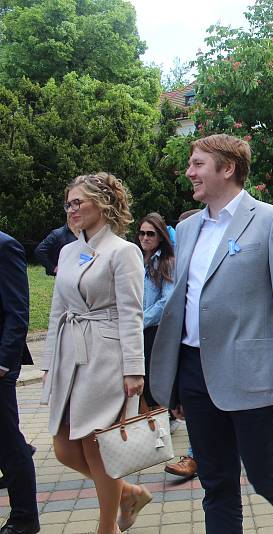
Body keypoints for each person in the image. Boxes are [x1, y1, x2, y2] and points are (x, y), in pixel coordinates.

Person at [149, 134, 273, 533]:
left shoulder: (271, 220)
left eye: (197, 164)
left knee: (267, 478)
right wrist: (174, 382)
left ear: (227, 169)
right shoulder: (188, 227)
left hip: (252, 375)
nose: (189, 173)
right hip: (195, 372)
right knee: (216, 484)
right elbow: (184, 304)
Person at [41, 172, 149, 534]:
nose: (71, 210)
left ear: (102, 204)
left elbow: (132, 312)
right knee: (64, 448)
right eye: (68, 203)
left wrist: (134, 368)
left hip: (106, 356)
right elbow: (58, 310)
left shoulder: (123, 251)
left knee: (97, 447)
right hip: (70, 355)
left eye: (78, 203)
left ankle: (108, 528)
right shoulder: (68, 251)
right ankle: (129, 494)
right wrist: (48, 362)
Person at [0, 231, 39, 534]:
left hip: (0, 365)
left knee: (9, 444)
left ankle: (25, 516)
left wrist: (3, 363)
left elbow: (17, 312)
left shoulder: (6, 246)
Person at [162, 209, 200, 481]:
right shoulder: (176, 263)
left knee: (266, 472)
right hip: (190, 355)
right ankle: (194, 455)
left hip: (233, 359)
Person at [135, 213, 175, 409]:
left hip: (153, 331)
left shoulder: (166, 262)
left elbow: (166, 301)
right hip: (134, 330)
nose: (145, 238)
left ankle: (159, 429)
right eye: (141, 233)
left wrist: (140, 321)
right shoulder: (135, 259)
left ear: (160, 236)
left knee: (152, 384)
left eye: (150, 234)